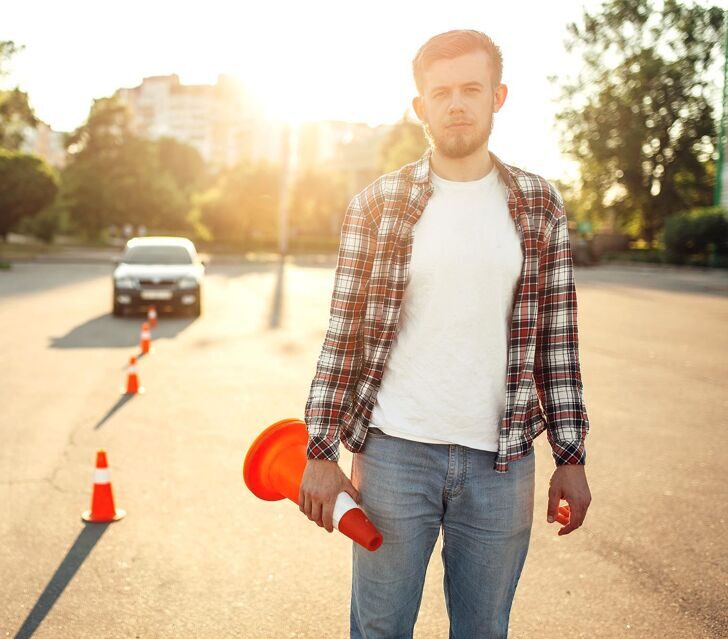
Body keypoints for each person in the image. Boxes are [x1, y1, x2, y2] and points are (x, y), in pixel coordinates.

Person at [300, 29, 592, 639]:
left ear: (498, 96)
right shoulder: (378, 204)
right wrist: (321, 449)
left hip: (502, 463)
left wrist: (570, 454)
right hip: (394, 455)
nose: (456, 104)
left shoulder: (539, 205)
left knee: (484, 630)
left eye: (470, 89)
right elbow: (343, 334)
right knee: (379, 629)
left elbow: (557, 344)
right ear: (420, 108)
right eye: (441, 92)